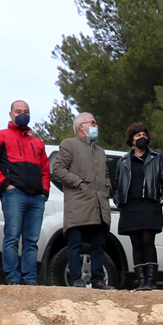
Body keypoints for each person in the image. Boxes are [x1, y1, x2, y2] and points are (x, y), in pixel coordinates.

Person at [0, 99, 49, 283]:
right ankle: (12, 278)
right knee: (12, 237)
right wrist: (5, 184)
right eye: (18, 111)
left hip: (36, 197)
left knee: (32, 240)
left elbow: (45, 169)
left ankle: (30, 279)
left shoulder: (38, 143)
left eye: (26, 112)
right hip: (14, 194)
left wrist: (44, 191)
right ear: (10, 114)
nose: (22, 115)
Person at [50, 112, 111, 287]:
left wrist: (107, 188)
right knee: (75, 243)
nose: (96, 126)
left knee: (98, 244)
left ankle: (98, 279)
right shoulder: (69, 144)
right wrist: (78, 183)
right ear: (81, 126)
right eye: (93, 122)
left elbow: (106, 174)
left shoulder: (100, 151)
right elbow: (58, 169)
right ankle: (75, 279)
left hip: (99, 205)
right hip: (78, 203)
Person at [112, 122, 163, 291]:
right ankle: (141, 281)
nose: (142, 137)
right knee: (136, 243)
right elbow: (117, 184)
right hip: (130, 206)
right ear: (132, 140)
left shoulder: (157, 158)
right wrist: (119, 201)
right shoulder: (123, 161)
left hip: (149, 205)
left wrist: (160, 201)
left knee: (147, 240)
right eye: (138, 135)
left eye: (144, 134)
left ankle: (151, 281)